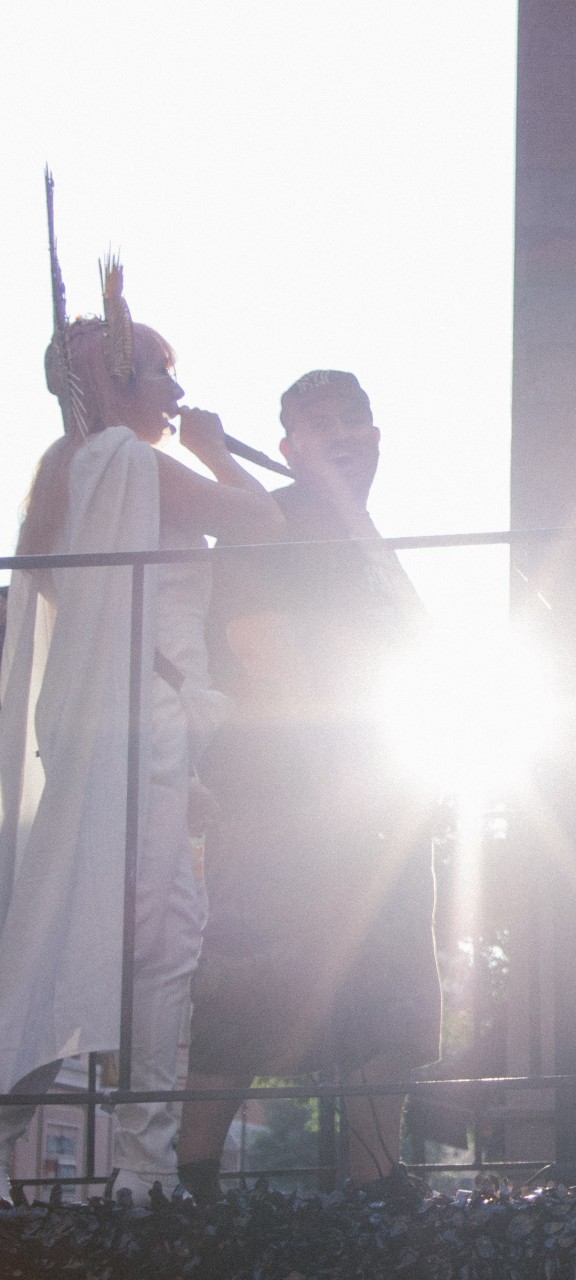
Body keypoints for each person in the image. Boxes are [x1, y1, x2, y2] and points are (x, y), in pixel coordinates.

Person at [0, 260, 283, 1199]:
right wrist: (210, 446)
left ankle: (138, 1165)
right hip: (141, 734)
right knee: (135, 944)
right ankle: (142, 1165)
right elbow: (268, 527)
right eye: (160, 371)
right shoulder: (124, 464)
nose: (176, 389)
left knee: (119, 939)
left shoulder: (61, 475)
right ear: (117, 381)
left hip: (118, 736)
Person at [175, 370, 440, 1197]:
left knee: (397, 1009)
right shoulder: (269, 522)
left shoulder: (364, 535)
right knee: (246, 1000)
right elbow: (271, 662)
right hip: (286, 809)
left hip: (384, 803)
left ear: (376, 435)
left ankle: (375, 1190)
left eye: (353, 420)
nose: (341, 435)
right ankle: (186, 1192)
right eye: (316, 425)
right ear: (289, 446)